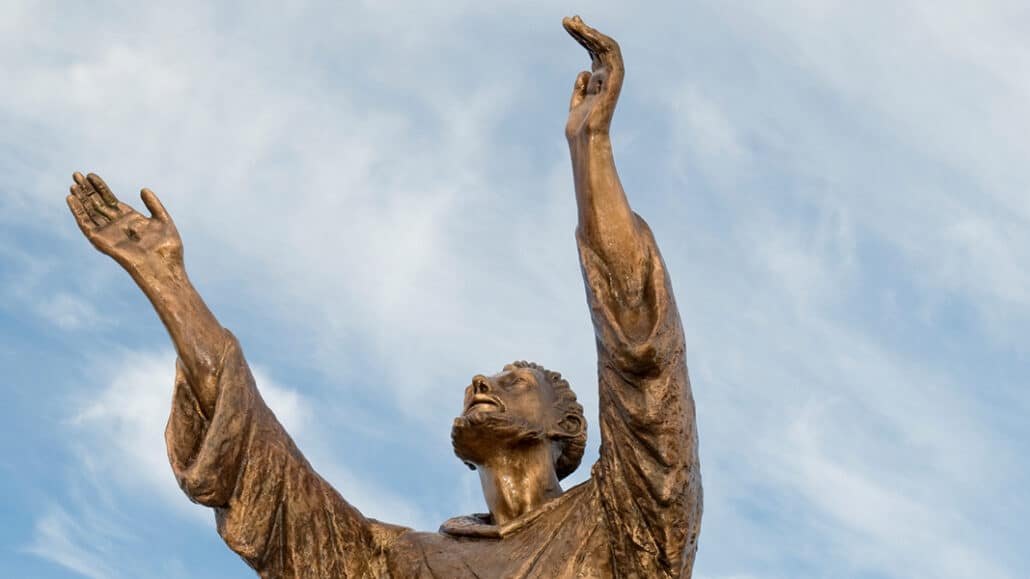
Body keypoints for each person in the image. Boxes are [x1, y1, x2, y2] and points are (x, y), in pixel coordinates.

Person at [65, 16, 702, 579]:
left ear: (564, 426)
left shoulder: (622, 523)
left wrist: (589, 149)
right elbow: (265, 473)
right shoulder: (394, 562)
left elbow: (642, 356)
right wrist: (166, 280)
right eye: (492, 377)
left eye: (516, 381)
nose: (483, 381)